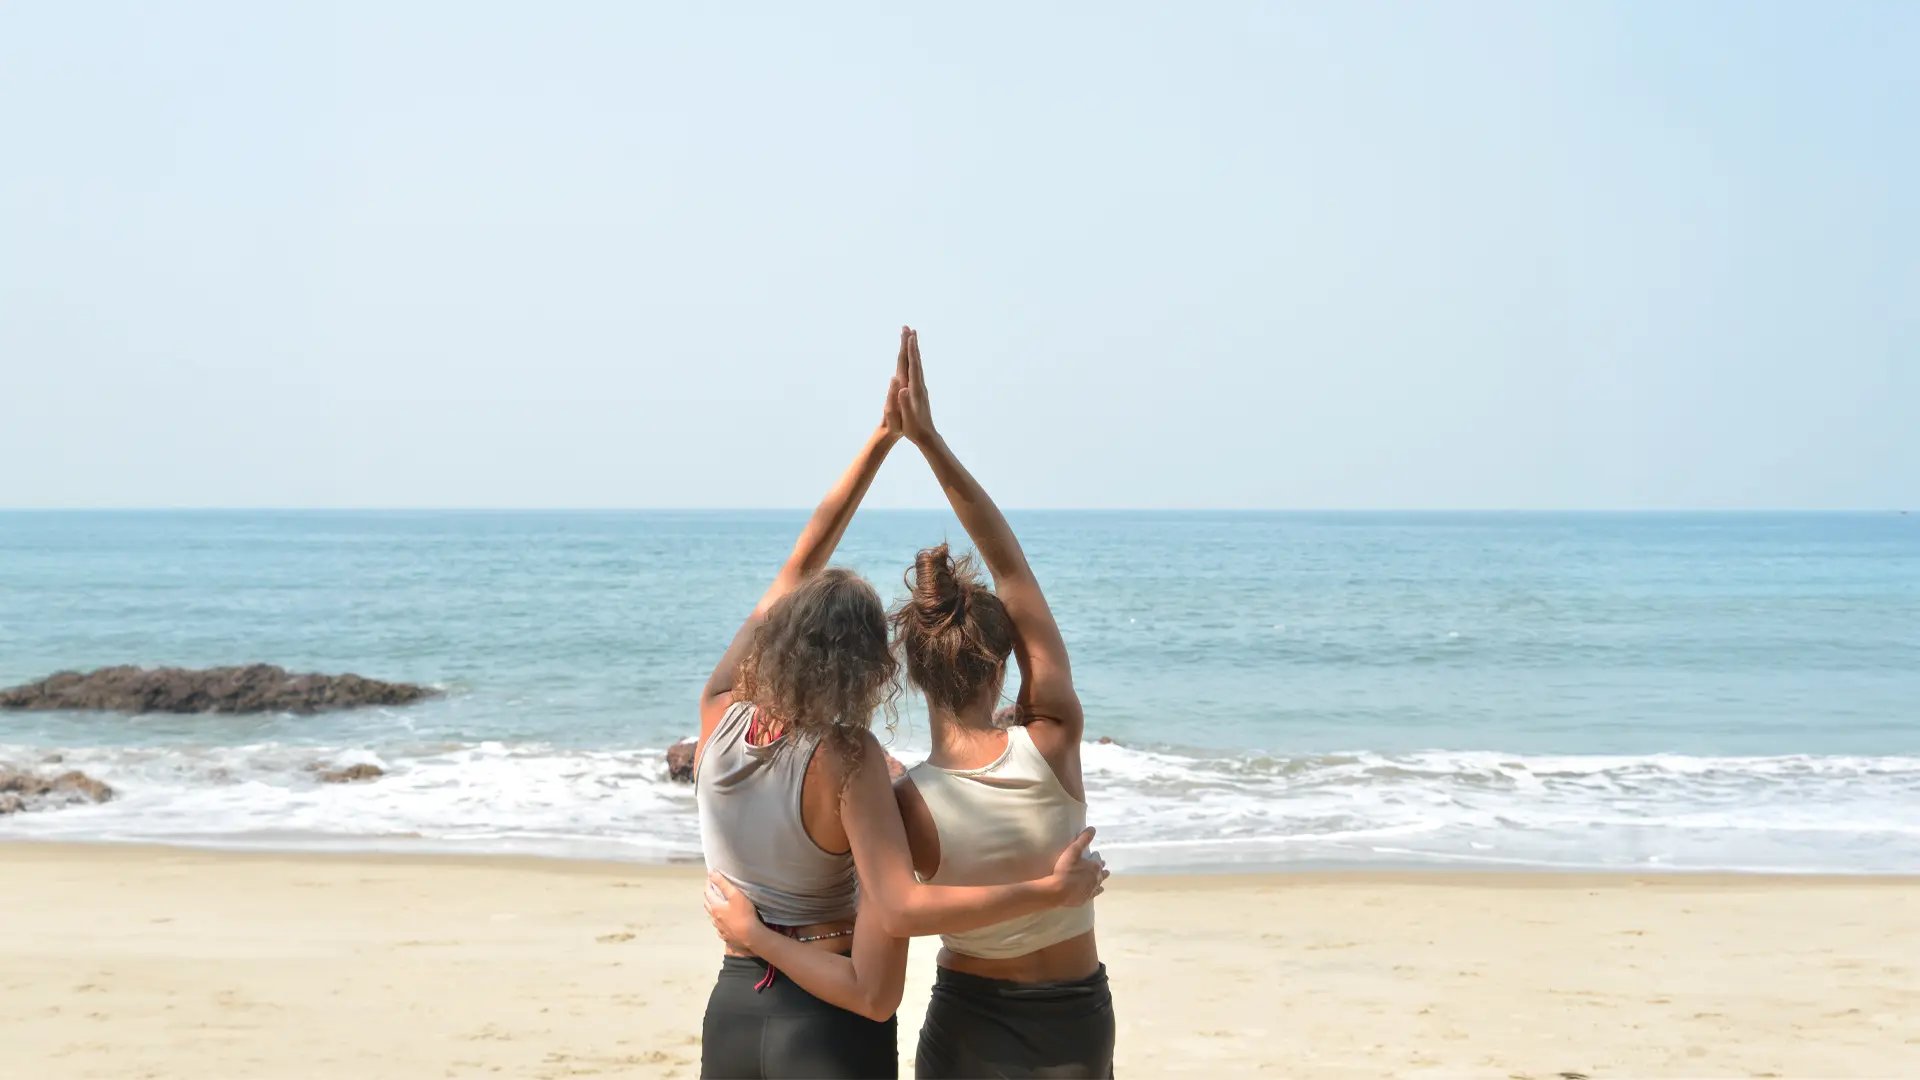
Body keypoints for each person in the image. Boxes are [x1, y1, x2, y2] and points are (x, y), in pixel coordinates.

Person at [695, 327, 1107, 1080]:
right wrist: (928, 442)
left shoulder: (888, 789)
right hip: (1060, 1019)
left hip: (924, 1019)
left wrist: (883, 440)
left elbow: (797, 567)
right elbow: (1014, 572)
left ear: (908, 671)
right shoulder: (1044, 738)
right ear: (1003, 661)